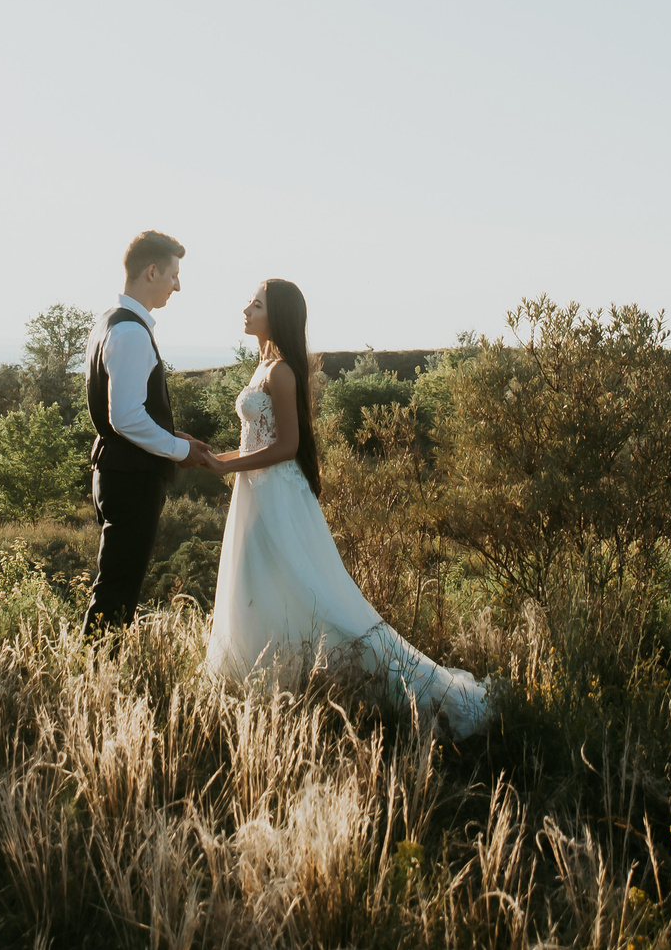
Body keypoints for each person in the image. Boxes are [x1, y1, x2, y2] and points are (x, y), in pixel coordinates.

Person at [202, 278, 489, 734]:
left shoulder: (280, 372)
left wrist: (223, 467)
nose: (246, 309)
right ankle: (272, 679)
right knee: (261, 581)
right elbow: (259, 440)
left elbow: (288, 447)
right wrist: (217, 458)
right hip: (258, 490)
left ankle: (397, 684)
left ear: (276, 315)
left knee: (315, 590)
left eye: (255, 304)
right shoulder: (264, 366)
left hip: (278, 494)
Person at [82, 230, 217, 632]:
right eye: (174, 275)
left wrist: (179, 438)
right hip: (131, 478)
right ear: (152, 272)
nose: (178, 285)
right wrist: (178, 448)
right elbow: (125, 417)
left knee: (115, 586)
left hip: (116, 472)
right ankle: (96, 682)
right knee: (117, 592)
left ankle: (96, 678)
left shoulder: (110, 322)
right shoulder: (129, 331)